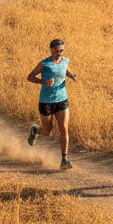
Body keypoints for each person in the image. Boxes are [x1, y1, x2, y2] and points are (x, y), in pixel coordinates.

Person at [26, 39, 77, 170]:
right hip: (46, 101)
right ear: (51, 50)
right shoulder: (45, 64)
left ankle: (64, 159)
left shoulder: (65, 60)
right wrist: (44, 82)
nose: (59, 53)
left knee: (64, 129)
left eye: (61, 50)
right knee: (47, 131)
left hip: (62, 99)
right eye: (56, 51)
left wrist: (71, 75)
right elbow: (30, 77)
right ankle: (35, 130)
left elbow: (64, 69)